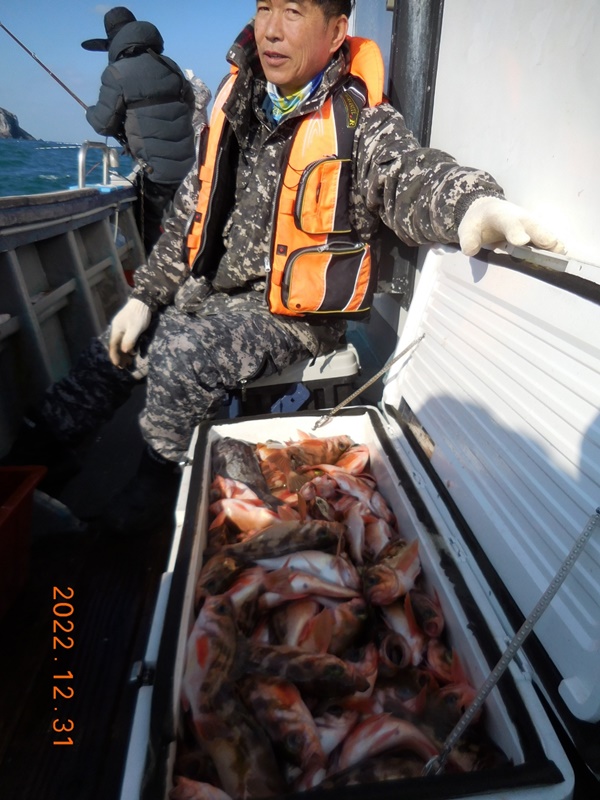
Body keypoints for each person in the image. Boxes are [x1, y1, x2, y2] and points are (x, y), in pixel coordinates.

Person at [12, 0, 565, 535]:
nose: (271, 30)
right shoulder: (237, 100)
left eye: (294, 12)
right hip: (213, 294)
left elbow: (409, 175)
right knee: (113, 346)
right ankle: (32, 464)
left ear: (336, 31)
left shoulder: (359, 119)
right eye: (264, 8)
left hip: (291, 315)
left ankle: (153, 493)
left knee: (182, 356)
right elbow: (189, 208)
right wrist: (146, 296)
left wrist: (472, 204)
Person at [83, 7, 197, 254]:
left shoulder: (116, 73)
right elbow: (189, 106)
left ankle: (154, 274)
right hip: (189, 172)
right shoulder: (171, 66)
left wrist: (88, 112)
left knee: (148, 240)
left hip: (156, 178)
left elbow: (103, 123)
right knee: (188, 234)